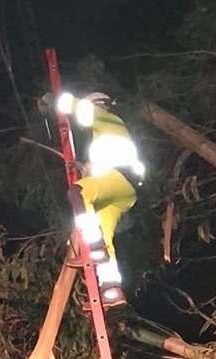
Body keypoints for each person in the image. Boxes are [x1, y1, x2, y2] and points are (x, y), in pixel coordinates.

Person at [42, 91, 145, 308]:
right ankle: (111, 289)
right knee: (105, 235)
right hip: (123, 191)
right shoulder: (110, 133)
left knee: (77, 193)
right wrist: (88, 170)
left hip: (118, 179)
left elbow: (79, 108)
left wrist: (52, 100)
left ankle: (94, 245)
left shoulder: (106, 117)